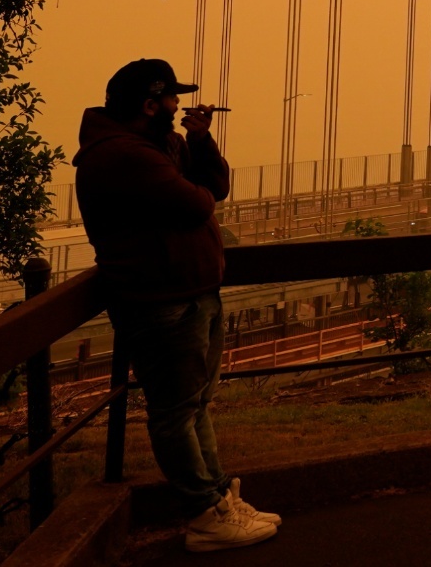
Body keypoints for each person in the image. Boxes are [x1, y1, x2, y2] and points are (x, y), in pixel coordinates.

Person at [75, 59, 280, 552]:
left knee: (194, 406)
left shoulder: (153, 146)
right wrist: (193, 183)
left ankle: (216, 499)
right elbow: (198, 204)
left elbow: (216, 188)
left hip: (189, 293)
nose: (180, 105)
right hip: (160, 302)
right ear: (150, 104)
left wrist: (200, 139)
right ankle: (204, 516)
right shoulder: (125, 155)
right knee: (175, 412)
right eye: (172, 99)